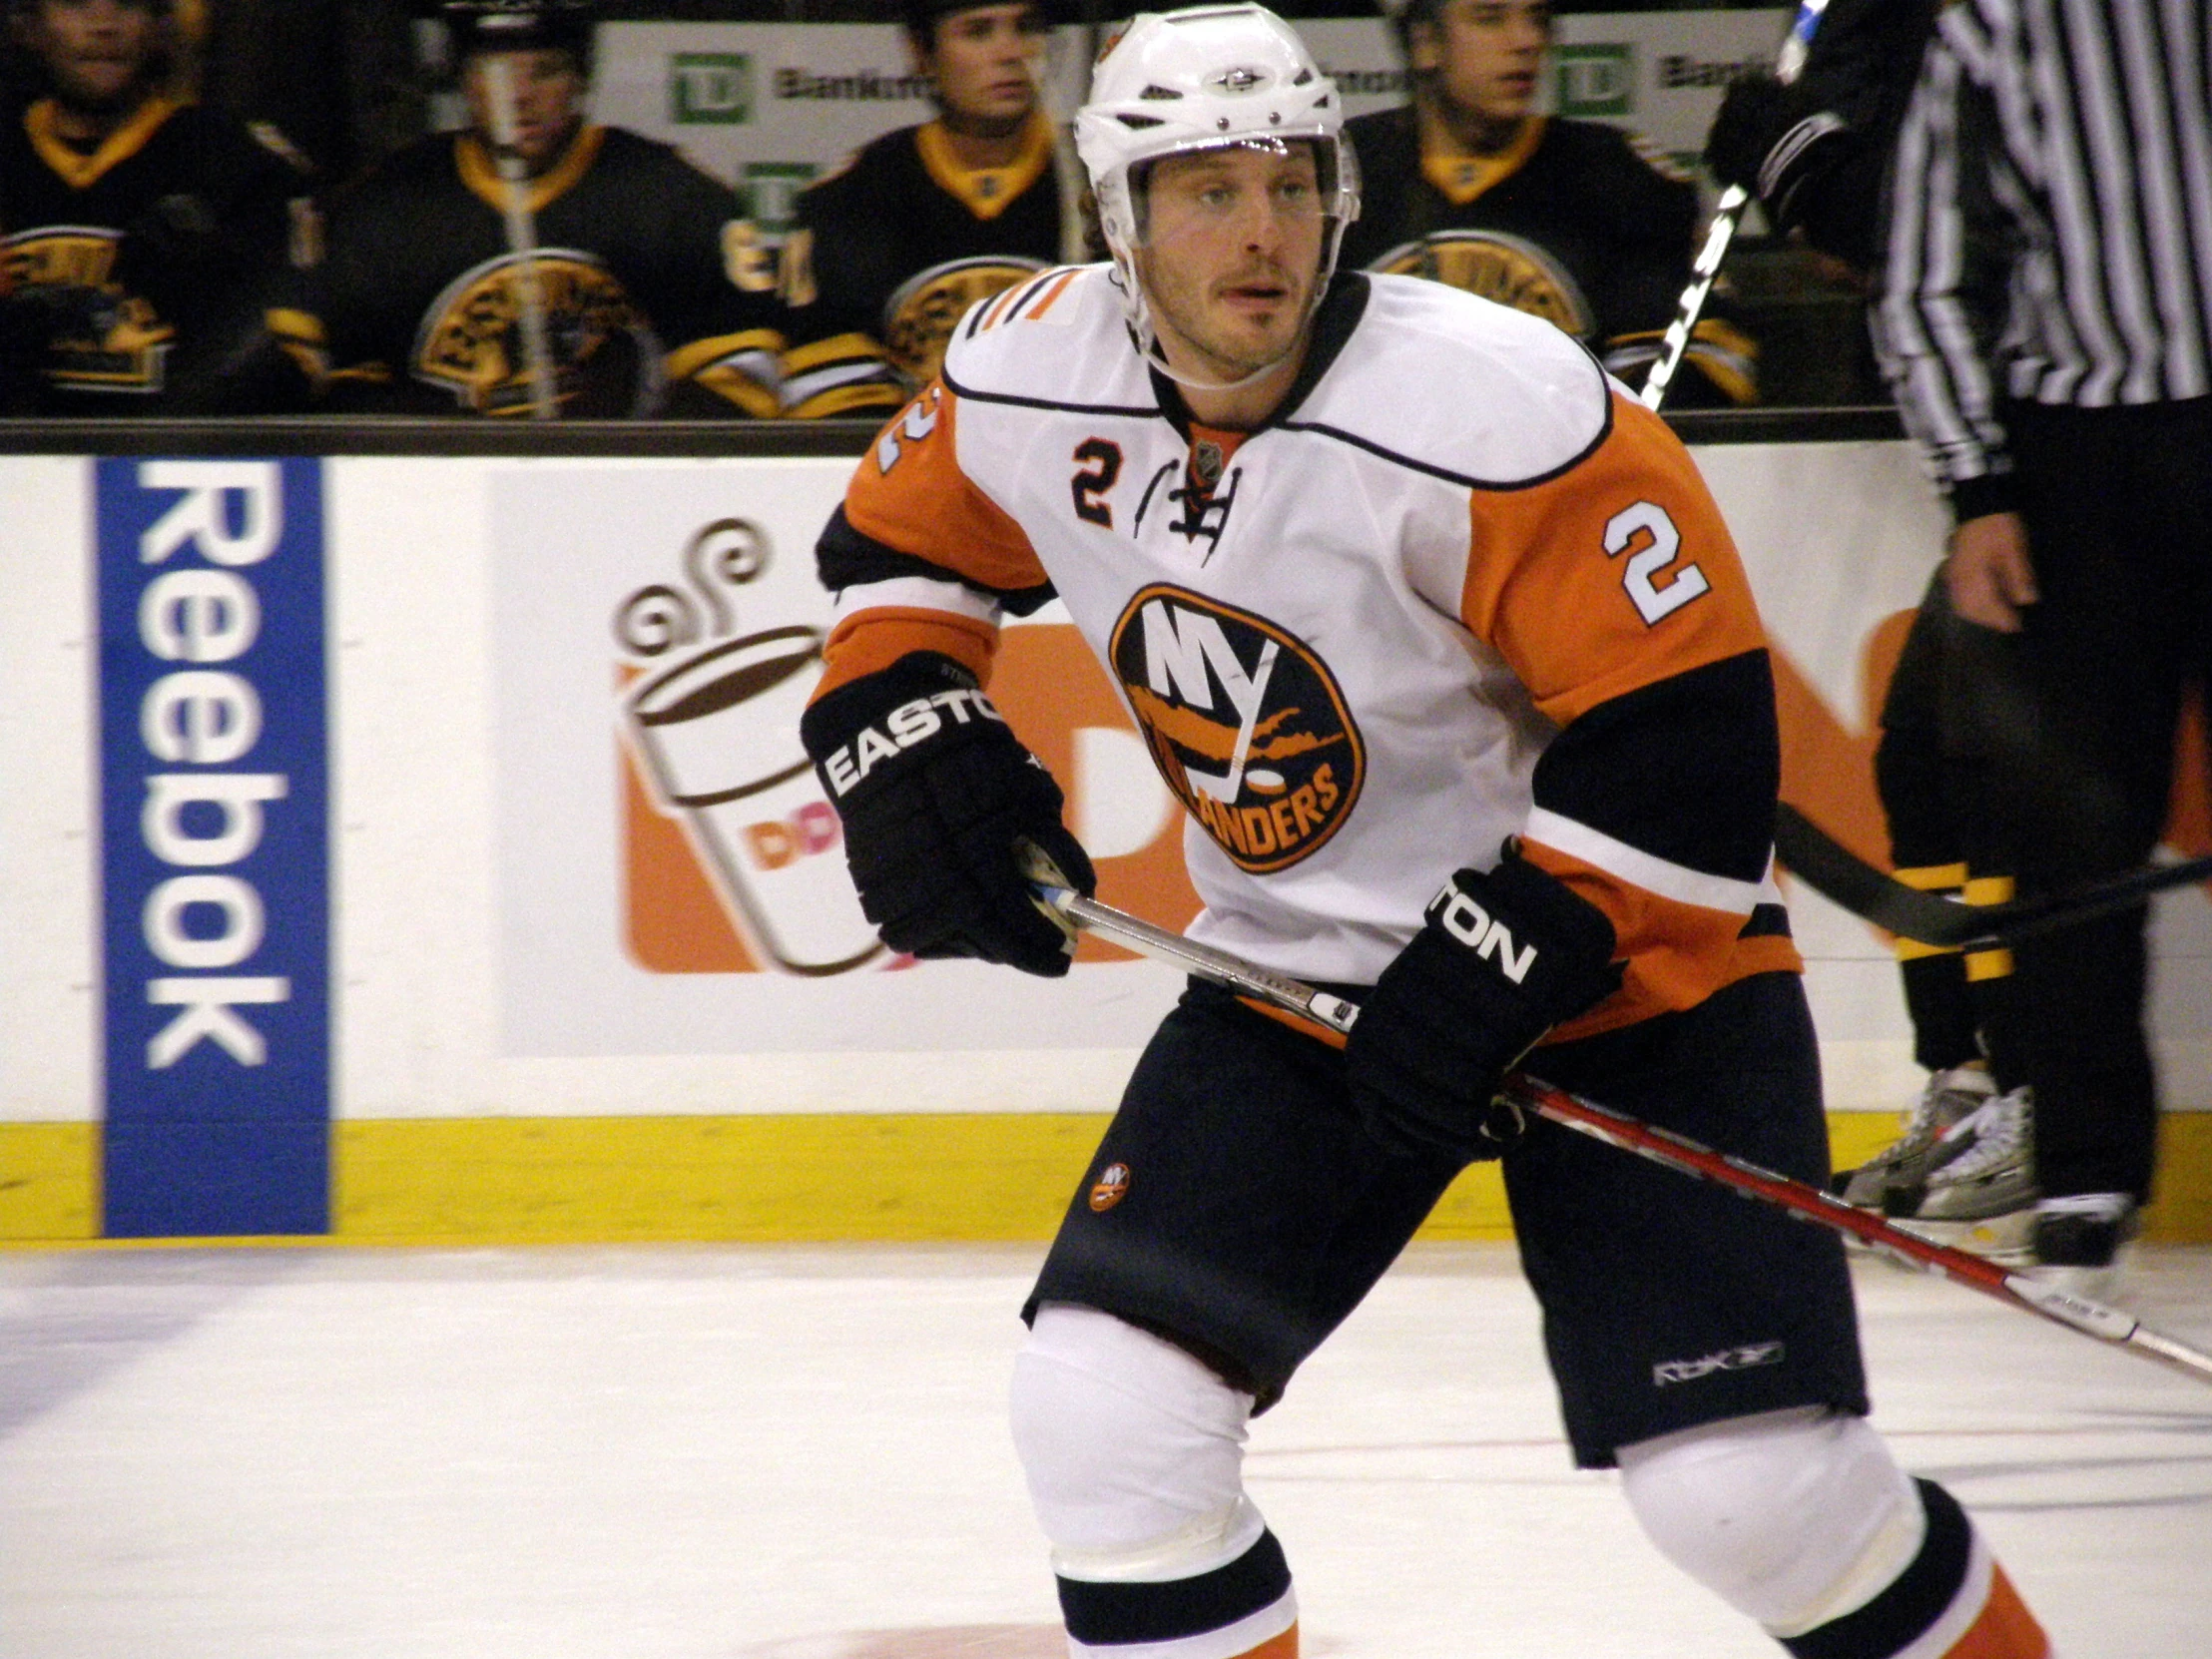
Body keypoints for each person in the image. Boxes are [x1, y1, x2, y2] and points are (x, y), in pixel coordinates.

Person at [800, 8, 2051, 1656]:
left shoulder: (1499, 406)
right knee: (1106, 1418)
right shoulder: (1023, 365)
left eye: (1291, 182)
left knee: (1754, 1497)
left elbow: (1684, 746)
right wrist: (906, 729)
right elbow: (894, 560)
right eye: (1200, 192)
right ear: (1116, 216)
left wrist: (1495, 960)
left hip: (1631, 989)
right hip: (1293, 982)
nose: (1258, 231)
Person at [1872, 0, 2212, 1289]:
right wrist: (1978, 487)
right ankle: (2084, 1176)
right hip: (2081, 462)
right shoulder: (1999, 22)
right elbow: (1924, 272)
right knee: (2073, 838)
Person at [1705, 0, 2029, 1243]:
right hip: (2006, 437)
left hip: (2076, 424)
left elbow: (1912, 226)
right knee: (1923, 757)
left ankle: (2034, 1077)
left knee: (2004, 770)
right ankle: (1969, 1078)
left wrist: (1798, 166)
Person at [273, 0, 786, 418]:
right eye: (492, 70)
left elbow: (741, 387)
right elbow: (340, 402)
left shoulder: (666, 193)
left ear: (582, 81)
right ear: (461, 83)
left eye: (545, 71)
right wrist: (456, 435)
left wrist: (628, 436)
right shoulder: (392, 200)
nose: (518, 95)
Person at [1340, 0, 1756, 407]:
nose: (1526, 40)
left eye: (1537, 18)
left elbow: (1694, 370)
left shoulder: (1620, 177)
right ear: (1426, 41)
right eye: (1490, 17)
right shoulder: (1339, 174)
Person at [0, 0, 311, 414]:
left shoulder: (233, 162)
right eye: (76, 3)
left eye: (128, 4)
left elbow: (302, 377)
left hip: (177, 458)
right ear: (28, 26)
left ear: (161, 26)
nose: (104, 25)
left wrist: (219, 298)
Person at [780, 0, 1072, 418]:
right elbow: (836, 406)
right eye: (978, 31)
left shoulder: (1108, 184)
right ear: (922, 54)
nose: (1012, 53)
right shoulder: (853, 197)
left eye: (1027, 27)